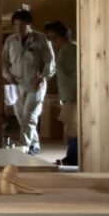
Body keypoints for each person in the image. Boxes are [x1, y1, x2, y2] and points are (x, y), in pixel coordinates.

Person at [1, 9, 54, 154]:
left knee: (29, 116)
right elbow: (4, 61)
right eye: (16, 25)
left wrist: (42, 78)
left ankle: (23, 148)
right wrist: (8, 77)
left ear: (29, 24)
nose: (19, 28)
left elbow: (49, 62)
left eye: (22, 25)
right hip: (16, 84)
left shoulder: (41, 39)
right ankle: (34, 145)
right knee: (21, 117)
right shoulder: (10, 41)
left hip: (35, 83)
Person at [44, 20, 79, 167]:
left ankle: (73, 157)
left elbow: (78, 72)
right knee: (71, 128)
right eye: (50, 39)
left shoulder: (68, 50)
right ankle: (71, 156)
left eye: (55, 38)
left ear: (64, 36)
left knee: (73, 129)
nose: (53, 42)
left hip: (73, 96)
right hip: (68, 95)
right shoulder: (65, 50)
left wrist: (76, 92)